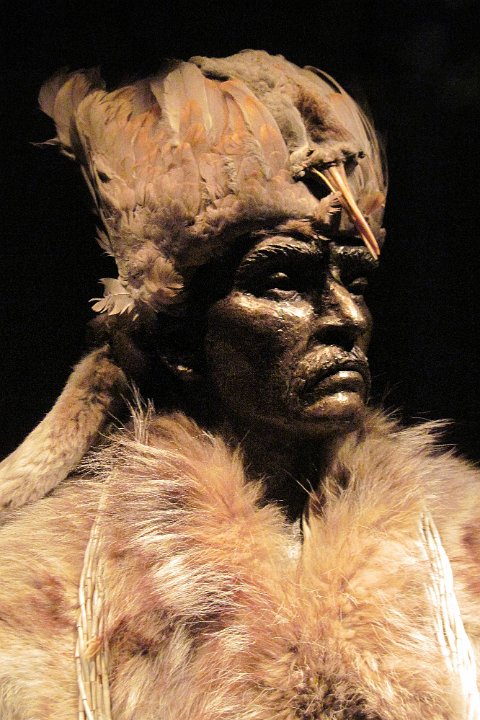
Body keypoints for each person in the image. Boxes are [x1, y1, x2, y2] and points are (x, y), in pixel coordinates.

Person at [0, 50, 479, 720]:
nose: (348, 317)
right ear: (179, 340)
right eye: (282, 281)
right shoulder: (55, 591)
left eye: (355, 280)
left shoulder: (461, 545)